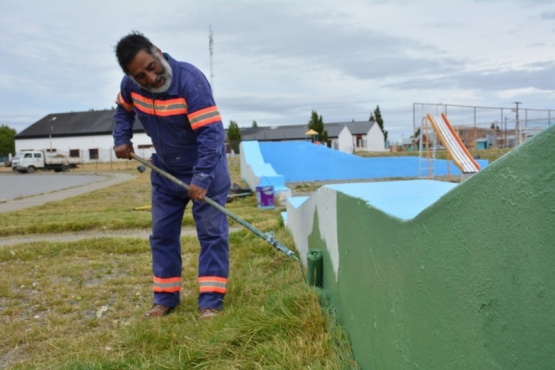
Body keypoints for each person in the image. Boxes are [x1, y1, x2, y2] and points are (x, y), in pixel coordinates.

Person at [112, 31, 231, 320]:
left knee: (212, 235)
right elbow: (122, 111)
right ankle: (165, 298)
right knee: (162, 236)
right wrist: (121, 138)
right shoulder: (130, 86)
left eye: (151, 67)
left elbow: (211, 134)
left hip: (206, 170)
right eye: (140, 76)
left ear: (157, 51)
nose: (151, 79)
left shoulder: (190, 81)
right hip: (165, 172)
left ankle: (210, 301)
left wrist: (201, 178)